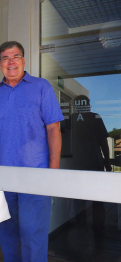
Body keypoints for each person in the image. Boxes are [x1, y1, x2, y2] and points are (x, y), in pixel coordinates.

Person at [0, 41, 64, 262]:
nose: (11, 61)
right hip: (1, 177)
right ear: (0, 64)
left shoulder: (41, 87)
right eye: (5, 58)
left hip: (35, 176)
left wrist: (52, 172)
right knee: (7, 234)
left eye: (15, 56)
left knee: (33, 235)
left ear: (24, 60)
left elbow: (54, 129)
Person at [71, 95, 111, 236]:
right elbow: (103, 142)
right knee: (97, 198)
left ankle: (81, 226)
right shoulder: (95, 117)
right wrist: (107, 161)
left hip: (76, 164)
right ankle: (98, 228)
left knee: (78, 198)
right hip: (95, 162)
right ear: (88, 105)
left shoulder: (71, 119)